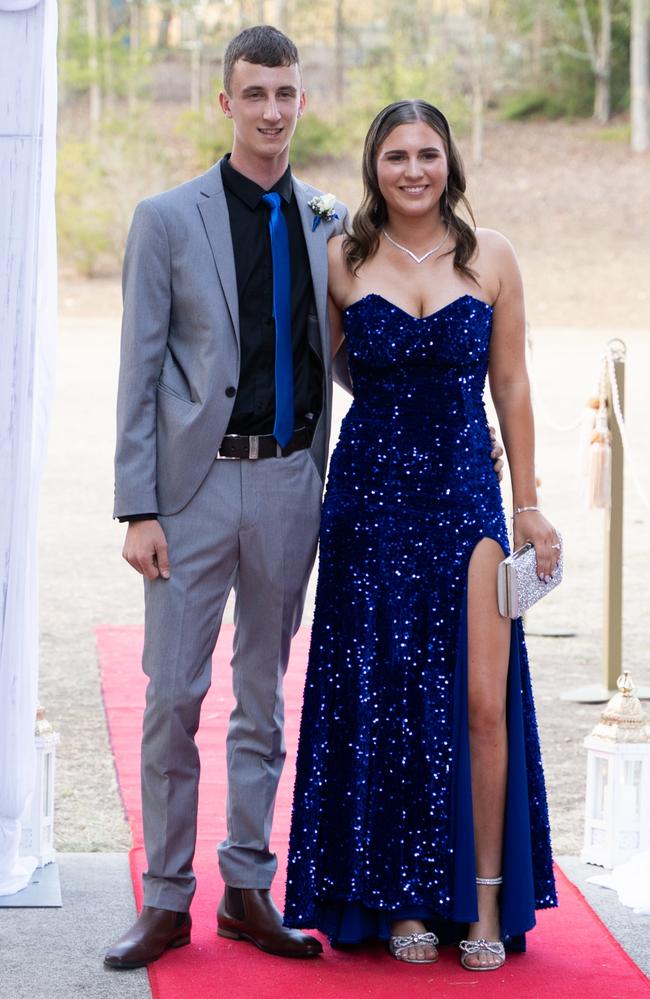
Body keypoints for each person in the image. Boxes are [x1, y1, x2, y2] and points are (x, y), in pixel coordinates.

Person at [284, 99, 559, 971]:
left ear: (450, 163)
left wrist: (528, 501)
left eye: (428, 154)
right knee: (389, 697)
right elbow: (315, 385)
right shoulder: (342, 258)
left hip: (465, 499)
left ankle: (483, 903)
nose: (412, 169)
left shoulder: (493, 257)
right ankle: (400, 894)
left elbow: (511, 386)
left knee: (484, 701)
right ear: (374, 166)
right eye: (396, 154)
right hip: (369, 504)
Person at [104, 25, 347, 968]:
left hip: (291, 478)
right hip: (192, 491)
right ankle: (167, 897)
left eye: (286, 94)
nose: (273, 112)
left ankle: (248, 885)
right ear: (225, 102)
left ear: (301, 100)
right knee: (172, 694)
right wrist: (139, 507)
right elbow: (140, 370)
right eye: (255, 94)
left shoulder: (330, 220)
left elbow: (354, 347)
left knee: (263, 697)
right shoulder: (167, 218)